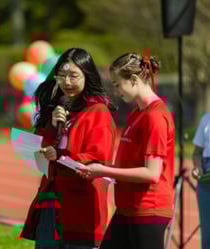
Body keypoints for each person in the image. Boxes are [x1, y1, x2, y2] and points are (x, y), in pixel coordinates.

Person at [20, 48, 117, 249]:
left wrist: (62, 155)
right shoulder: (56, 109)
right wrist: (52, 126)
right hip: (51, 199)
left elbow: (98, 157)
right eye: (61, 76)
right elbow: (41, 148)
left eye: (74, 76)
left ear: (87, 76)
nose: (67, 82)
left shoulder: (98, 112)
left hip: (81, 205)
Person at [77, 52, 175, 249]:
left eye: (116, 84)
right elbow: (130, 165)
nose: (115, 91)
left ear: (134, 79)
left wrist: (103, 171)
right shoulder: (137, 113)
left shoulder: (155, 117)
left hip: (148, 210)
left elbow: (152, 173)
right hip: (127, 209)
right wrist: (96, 168)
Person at [192, 112, 210, 249]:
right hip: (206, 180)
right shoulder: (206, 118)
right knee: (207, 232)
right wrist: (198, 168)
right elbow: (197, 152)